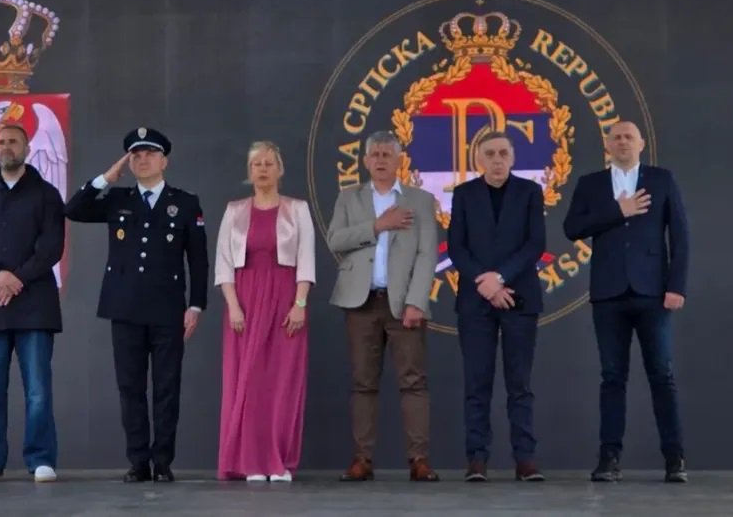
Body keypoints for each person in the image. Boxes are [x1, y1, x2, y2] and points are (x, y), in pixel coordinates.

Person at [65, 126, 208, 483]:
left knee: (166, 388)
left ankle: (163, 461)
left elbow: (198, 260)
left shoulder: (185, 203)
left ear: (164, 161)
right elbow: (74, 209)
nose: (143, 160)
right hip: (125, 307)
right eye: (136, 155)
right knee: (130, 388)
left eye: (150, 154)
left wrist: (196, 306)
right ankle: (138, 461)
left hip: (167, 309)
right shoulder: (118, 199)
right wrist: (107, 177)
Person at [563, 120, 690, 483]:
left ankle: (675, 459)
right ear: (607, 144)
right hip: (609, 294)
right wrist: (619, 211)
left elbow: (680, 237)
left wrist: (676, 286)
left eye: (628, 137)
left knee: (662, 375)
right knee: (612, 377)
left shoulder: (661, 180)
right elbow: (572, 228)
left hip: (653, 293)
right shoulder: (591, 184)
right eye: (616, 137)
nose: (622, 142)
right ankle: (609, 458)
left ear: (641, 143)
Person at [325, 130, 440, 482]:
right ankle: (362, 460)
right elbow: (335, 240)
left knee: (413, 382)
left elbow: (427, 254)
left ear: (399, 159)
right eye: (374, 154)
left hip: (404, 304)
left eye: (386, 154)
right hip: (361, 302)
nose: (380, 160)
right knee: (363, 383)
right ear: (364, 160)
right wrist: (377, 226)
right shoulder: (349, 198)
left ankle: (419, 460)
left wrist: (416, 301)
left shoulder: (420, 200)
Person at [0, 123, 66, 483]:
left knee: (38, 390)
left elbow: (51, 247)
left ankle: (41, 459)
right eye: (1, 142)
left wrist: (16, 278)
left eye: (13, 141)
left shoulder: (46, 195)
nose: (7, 147)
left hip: (35, 306)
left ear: (27, 148)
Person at [447, 131, 546, 483]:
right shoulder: (464, 194)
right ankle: (477, 459)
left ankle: (525, 460)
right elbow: (456, 247)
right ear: (479, 159)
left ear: (513, 157)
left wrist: (500, 278)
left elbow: (535, 243)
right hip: (475, 301)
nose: (497, 159)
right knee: (477, 384)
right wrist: (485, 284)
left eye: (504, 153)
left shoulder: (530, 192)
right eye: (490, 153)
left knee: (520, 384)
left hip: (519, 297)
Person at [214, 141, 315, 482]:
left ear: (279, 169)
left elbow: (306, 260)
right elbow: (224, 264)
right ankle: (252, 462)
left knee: (283, 382)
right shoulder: (234, 211)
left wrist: (300, 304)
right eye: (256, 163)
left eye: (269, 163)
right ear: (249, 171)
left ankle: (279, 461)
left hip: (286, 300)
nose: (262, 169)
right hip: (244, 301)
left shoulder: (297, 209)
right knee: (250, 382)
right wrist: (233, 307)